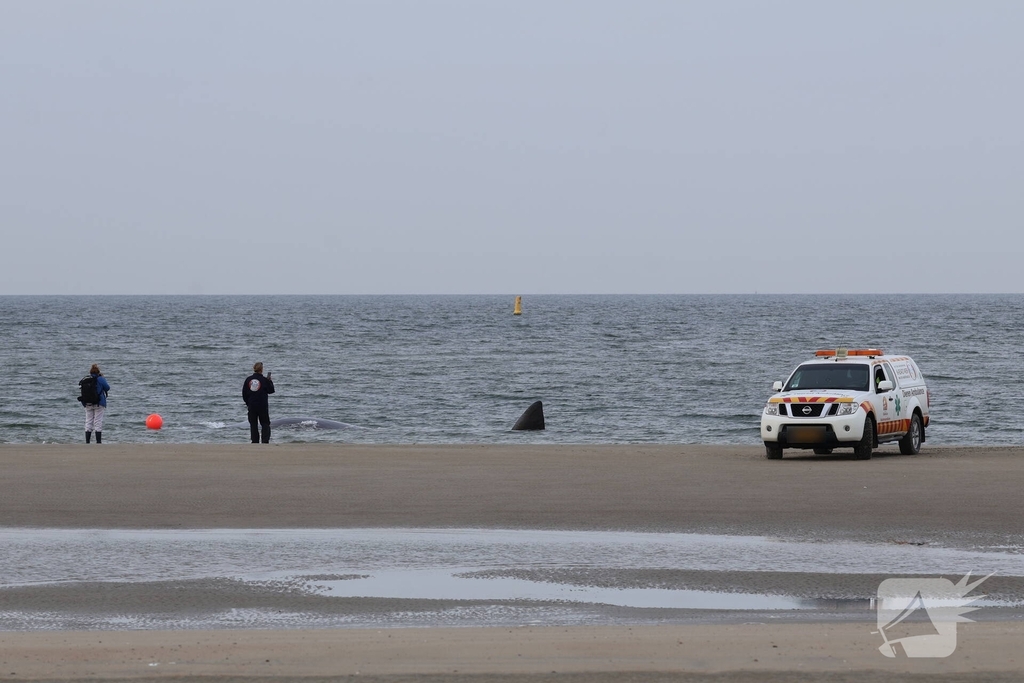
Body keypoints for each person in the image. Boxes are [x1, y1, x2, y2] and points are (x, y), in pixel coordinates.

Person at [242, 362, 275, 444]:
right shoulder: (264, 380)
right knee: (265, 423)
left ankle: (254, 441)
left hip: (252, 405)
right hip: (262, 405)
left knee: (253, 424)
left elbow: (244, 393)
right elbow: (271, 390)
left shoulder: (248, 379)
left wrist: (248, 403)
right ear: (261, 369)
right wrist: (270, 381)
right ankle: (265, 440)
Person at [83, 364, 111, 444]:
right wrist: (102, 378)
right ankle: (98, 442)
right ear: (98, 372)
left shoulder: (87, 379)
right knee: (98, 421)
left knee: (88, 421)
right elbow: (107, 388)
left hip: (88, 403)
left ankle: (87, 441)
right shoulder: (100, 379)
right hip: (99, 402)